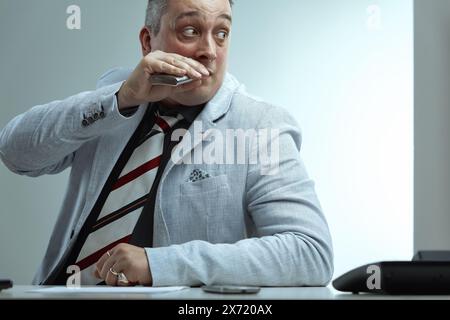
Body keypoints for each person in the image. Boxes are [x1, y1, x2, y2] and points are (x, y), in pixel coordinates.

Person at [0, 0, 333, 287]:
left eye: (221, 33)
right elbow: (14, 153)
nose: (209, 51)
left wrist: (162, 264)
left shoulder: (260, 126)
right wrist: (120, 100)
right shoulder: (113, 98)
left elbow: (309, 252)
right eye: (190, 31)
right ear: (148, 41)